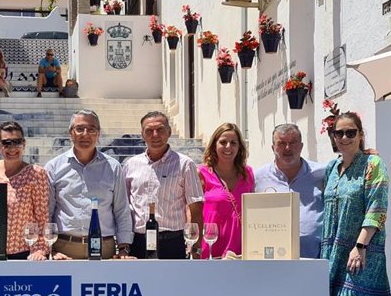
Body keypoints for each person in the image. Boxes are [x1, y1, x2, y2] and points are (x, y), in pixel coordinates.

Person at [321, 112, 391, 296]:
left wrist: (360, 247)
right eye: (339, 133)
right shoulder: (331, 168)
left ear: (361, 134)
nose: (344, 138)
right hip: (332, 253)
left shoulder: (373, 164)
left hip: (361, 252)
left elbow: (377, 208)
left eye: (350, 133)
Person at [44, 109, 133, 259]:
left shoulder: (113, 167)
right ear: (70, 133)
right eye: (79, 129)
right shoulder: (54, 167)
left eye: (91, 129)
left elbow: (121, 210)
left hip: (104, 248)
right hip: (65, 248)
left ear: (98, 134)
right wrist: (49, 249)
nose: (85, 134)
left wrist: (124, 248)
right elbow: (47, 212)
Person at [123, 111, 204, 259]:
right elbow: (124, 206)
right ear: (142, 135)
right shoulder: (131, 165)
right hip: (138, 243)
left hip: (173, 243)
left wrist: (196, 246)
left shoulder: (185, 164)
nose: (155, 135)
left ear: (169, 132)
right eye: (149, 131)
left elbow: (196, 208)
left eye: (160, 129)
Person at [254, 124, 326, 259]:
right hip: (271, 260)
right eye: (281, 143)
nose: (287, 148)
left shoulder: (322, 173)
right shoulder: (257, 177)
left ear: (301, 146)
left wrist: (365, 155)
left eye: (293, 142)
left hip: (314, 259)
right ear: (273, 148)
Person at [0, 121, 50, 260]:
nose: (12, 148)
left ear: (24, 144)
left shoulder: (36, 174)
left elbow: (42, 216)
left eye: (17, 142)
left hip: (23, 252)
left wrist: (40, 250)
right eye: (6, 143)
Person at [198, 123, 254, 258]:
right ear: (214, 145)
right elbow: (193, 210)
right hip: (211, 245)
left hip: (241, 247)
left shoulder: (248, 173)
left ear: (239, 147)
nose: (228, 147)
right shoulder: (202, 173)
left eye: (233, 143)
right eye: (223, 142)